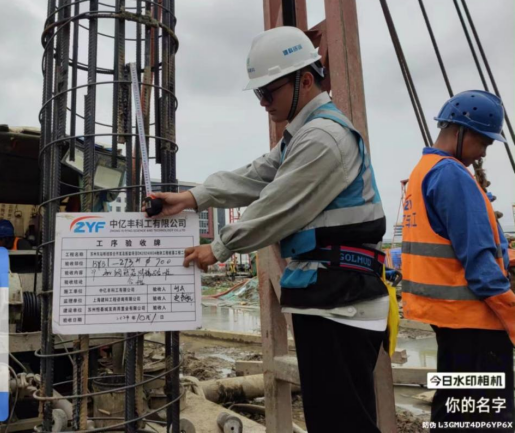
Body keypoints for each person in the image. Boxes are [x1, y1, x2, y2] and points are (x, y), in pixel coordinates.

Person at [152, 26, 388, 432]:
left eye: (268, 91)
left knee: (342, 422)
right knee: (332, 418)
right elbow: (256, 175)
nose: (263, 102)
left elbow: (278, 205)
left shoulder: (324, 138)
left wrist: (220, 246)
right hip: (331, 296)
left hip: (342, 300)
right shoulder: (304, 135)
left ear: (306, 80)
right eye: (258, 93)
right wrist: (193, 197)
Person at [401, 91, 514, 431]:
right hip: (477, 324)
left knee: (453, 409)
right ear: (461, 131)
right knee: (486, 419)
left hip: (450, 321)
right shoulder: (452, 175)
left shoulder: (423, 172)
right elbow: (480, 263)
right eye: (484, 142)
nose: (484, 152)